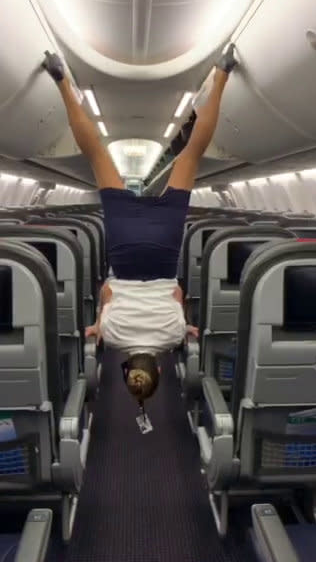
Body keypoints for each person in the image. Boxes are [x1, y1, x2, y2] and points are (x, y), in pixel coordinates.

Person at [43, 45, 237, 409]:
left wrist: (184, 325)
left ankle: (224, 72)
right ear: (125, 367)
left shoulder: (175, 337)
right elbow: (106, 293)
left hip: (163, 251)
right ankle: (61, 80)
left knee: (190, 154)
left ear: (160, 371)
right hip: (125, 251)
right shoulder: (112, 339)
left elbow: (178, 294)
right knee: (98, 154)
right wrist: (101, 322)